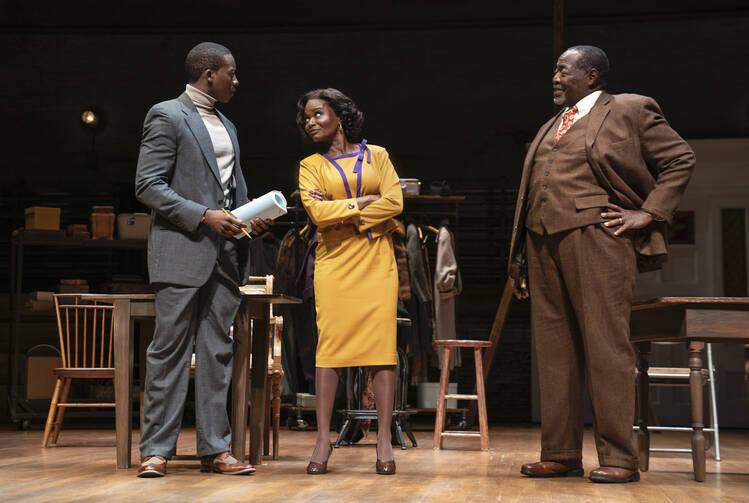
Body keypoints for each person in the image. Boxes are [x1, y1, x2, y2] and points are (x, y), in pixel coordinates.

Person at [508, 45, 694, 483]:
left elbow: (679, 158)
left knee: (606, 346)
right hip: (542, 240)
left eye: (563, 70)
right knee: (554, 350)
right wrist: (518, 257)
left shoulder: (629, 108)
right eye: (553, 70)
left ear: (591, 75)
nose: (554, 77)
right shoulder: (551, 124)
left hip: (598, 236)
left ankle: (619, 456)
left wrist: (647, 212)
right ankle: (561, 452)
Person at [134, 42, 269, 478]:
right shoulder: (168, 115)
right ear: (209, 73)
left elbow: (232, 192)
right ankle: (156, 450)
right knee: (168, 352)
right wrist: (203, 216)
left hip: (226, 256)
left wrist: (253, 218)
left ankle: (215, 449)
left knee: (218, 353)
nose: (237, 80)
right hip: (182, 250)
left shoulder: (227, 124)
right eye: (231, 72)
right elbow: (148, 185)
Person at [296, 88, 404, 475]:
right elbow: (316, 213)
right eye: (306, 117)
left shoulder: (378, 155)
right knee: (331, 348)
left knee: (380, 347)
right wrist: (362, 204)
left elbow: (396, 202)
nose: (310, 122)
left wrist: (341, 210)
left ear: (339, 116)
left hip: (376, 260)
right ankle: (323, 438)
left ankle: (385, 440)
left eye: (317, 114)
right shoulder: (310, 165)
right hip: (334, 263)